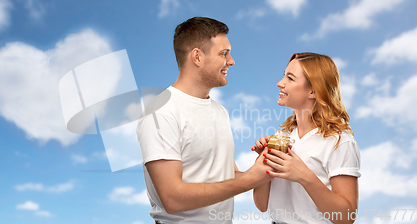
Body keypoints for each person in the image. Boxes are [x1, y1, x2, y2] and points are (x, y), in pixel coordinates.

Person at [136, 17, 272, 223]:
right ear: (197, 57)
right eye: (224, 54)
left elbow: (226, 177)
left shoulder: (219, 111)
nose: (231, 61)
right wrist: (250, 180)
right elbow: (172, 199)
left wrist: (259, 168)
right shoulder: (161, 112)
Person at [252, 53, 361, 224]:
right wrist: (262, 161)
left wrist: (304, 176)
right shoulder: (282, 136)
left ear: (313, 91)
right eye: (284, 75)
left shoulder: (339, 141)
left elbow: (346, 217)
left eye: (290, 78)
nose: (280, 83)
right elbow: (261, 205)